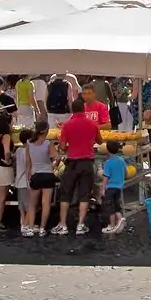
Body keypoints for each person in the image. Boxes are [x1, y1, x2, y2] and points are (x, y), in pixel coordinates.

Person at [53, 98, 100, 236]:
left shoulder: (67, 125)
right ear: (84, 109)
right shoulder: (92, 124)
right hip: (87, 163)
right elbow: (100, 140)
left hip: (72, 163)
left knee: (66, 194)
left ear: (72, 110)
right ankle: (81, 224)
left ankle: (63, 225)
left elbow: (62, 146)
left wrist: (69, 147)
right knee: (85, 195)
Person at [22, 126, 55, 237]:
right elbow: (57, 157)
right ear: (46, 131)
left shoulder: (29, 144)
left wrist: (28, 177)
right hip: (48, 174)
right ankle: (42, 229)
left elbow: (28, 163)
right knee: (46, 204)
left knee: (32, 204)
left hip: (35, 175)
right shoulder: (48, 143)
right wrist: (53, 166)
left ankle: (30, 228)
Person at [100, 140, 128, 235]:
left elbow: (105, 177)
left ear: (107, 150)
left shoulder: (108, 163)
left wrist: (103, 188)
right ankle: (120, 219)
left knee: (109, 207)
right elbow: (126, 172)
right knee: (116, 205)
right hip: (119, 187)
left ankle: (112, 225)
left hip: (110, 187)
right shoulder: (121, 160)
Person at [14, 126, 35, 236]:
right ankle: (28, 225)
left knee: (21, 205)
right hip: (26, 181)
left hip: (18, 181)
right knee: (29, 205)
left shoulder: (18, 150)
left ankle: (23, 222)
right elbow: (29, 165)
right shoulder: (28, 150)